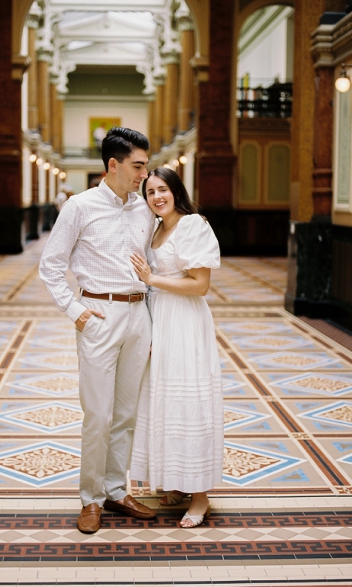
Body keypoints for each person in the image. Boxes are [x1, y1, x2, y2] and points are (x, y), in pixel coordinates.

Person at [38, 127, 159, 534]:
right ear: (113, 164)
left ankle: (116, 489)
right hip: (99, 317)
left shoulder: (145, 210)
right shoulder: (80, 207)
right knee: (98, 414)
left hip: (138, 315)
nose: (144, 173)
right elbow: (51, 265)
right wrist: (77, 312)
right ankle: (90, 499)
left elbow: (156, 262)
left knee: (125, 413)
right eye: (138, 165)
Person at [128, 167, 223, 529]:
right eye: (150, 192)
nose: (157, 197)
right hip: (159, 320)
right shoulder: (155, 228)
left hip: (185, 322)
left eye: (163, 189)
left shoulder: (194, 225)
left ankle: (201, 497)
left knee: (188, 404)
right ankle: (180, 484)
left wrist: (152, 279)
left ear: (175, 190)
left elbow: (200, 285)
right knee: (162, 402)